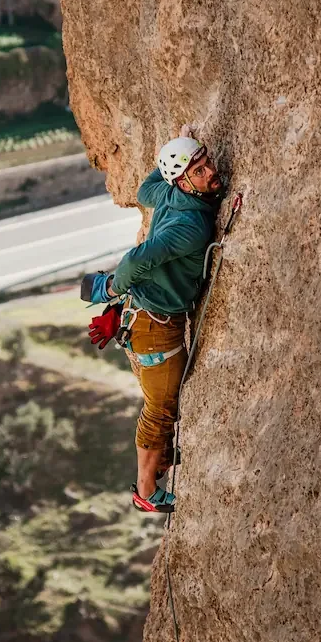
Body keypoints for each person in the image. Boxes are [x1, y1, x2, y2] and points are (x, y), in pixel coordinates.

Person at [83, 128, 224, 512]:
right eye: (199, 171)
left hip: (148, 319)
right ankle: (145, 491)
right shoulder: (190, 226)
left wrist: (173, 154)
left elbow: (146, 189)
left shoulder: (168, 193)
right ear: (184, 182)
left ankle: (159, 457)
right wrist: (112, 287)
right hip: (156, 327)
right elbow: (135, 260)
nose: (211, 172)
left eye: (206, 163)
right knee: (160, 407)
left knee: (163, 401)